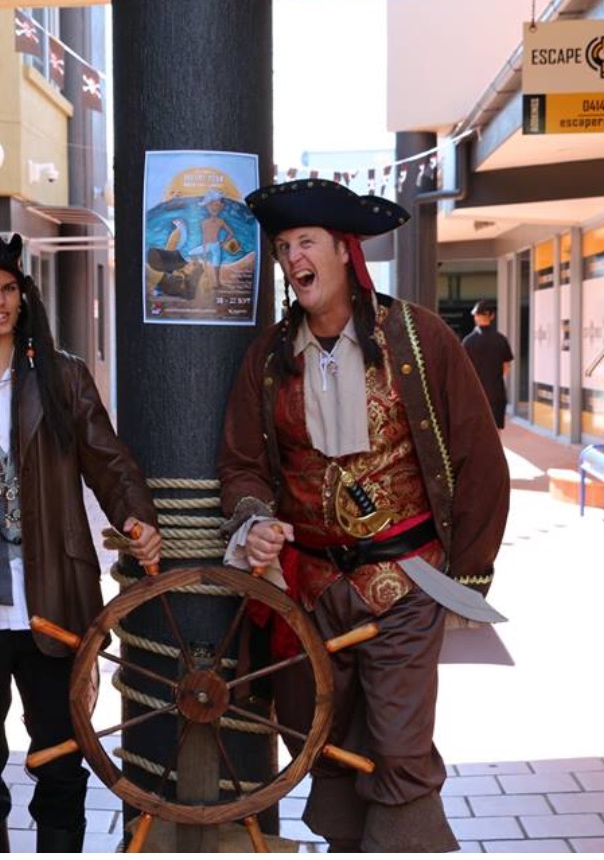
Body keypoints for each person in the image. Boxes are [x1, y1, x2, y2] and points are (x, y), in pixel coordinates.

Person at [218, 179, 510, 852]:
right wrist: (254, 518)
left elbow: (478, 459)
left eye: (307, 243)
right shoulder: (268, 358)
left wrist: (468, 576)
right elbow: (241, 464)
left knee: (401, 750)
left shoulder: (418, 336)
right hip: (312, 591)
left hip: (406, 583)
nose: (294, 259)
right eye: (284, 247)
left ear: (344, 251)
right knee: (328, 746)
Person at [0, 232, 161, 853]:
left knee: (62, 754)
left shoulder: (61, 376)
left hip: (56, 596)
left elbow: (109, 458)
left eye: (10, 288)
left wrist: (137, 516)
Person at [462, 299, 514, 429]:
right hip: (496, 393)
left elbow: (462, 370)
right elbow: (506, 367)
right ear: (492, 316)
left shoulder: (468, 341)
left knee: (476, 431)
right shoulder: (501, 340)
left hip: (474, 394)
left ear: (475, 317)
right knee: (495, 431)